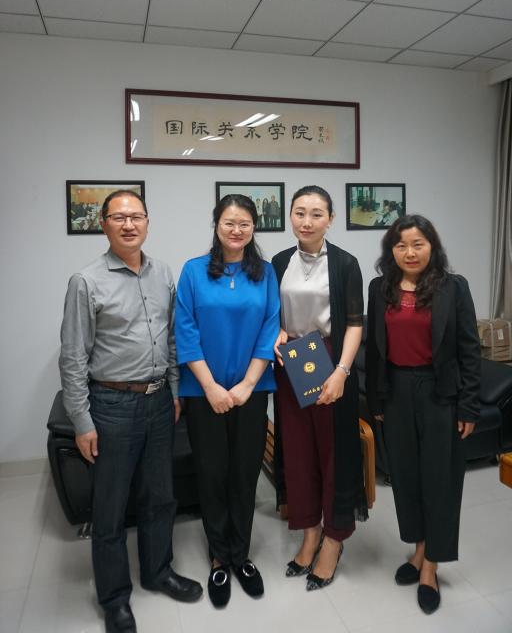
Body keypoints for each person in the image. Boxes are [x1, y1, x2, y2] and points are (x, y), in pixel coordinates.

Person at [59, 190, 202, 633]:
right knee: (111, 508)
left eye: (136, 216)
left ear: (147, 222)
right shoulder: (86, 281)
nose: (128, 224)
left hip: (159, 401)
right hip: (111, 406)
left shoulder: (163, 274)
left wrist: (174, 391)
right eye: (118, 217)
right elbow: (72, 358)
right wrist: (82, 421)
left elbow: (172, 337)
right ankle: (115, 598)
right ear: (103, 224)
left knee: (160, 497)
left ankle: (158, 571)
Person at [365, 214, 481, 615]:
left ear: (432, 246)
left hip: (439, 393)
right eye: (401, 245)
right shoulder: (380, 288)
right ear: (391, 251)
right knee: (407, 477)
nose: (410, 252)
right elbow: (375, 350)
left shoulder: (453, 287)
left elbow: (469, 349)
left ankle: (431, 564)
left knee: (439, 480)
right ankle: (418, 549)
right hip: (396, 392)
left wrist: (468, 405)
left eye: (418, 244)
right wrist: (376, 401)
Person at [175, 194, 280, 608]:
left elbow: (270, 328)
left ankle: (241, 554)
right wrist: (211, 388)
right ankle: (219, 556)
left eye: (244, 224)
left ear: (254, 228)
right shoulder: (193, 271)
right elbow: (185, 330)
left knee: (244, 473)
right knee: (212, 472)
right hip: (204, 393)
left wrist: (248, 384)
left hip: (251, 391)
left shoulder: (265, 273)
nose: (236, 230)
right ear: (216, 225)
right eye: (229, 223)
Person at [272, 185, 367, 591]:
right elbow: (273, 313)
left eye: (316, 214)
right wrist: (277, 331)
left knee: (334, 454)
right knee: (297, 453)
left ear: (331, 219)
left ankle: (333, 539)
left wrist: (342, 371)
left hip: (330, 360)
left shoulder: (345, 263)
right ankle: (309, 533)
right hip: (291, 361)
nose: (306, 221)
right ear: (290, 216)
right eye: (299, 213)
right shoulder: (279, 261)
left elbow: (355, 323)